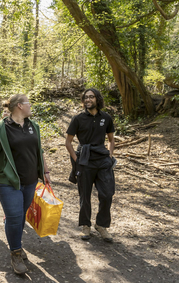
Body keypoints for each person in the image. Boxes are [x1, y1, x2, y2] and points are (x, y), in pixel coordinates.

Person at [0, 94, 51, 275]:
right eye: (28, 103)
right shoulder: (1, 129)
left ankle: (15, 243)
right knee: (14, 216)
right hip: (7, 181)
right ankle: (16, 253)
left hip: (30, 180)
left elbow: (38, 150)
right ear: (19, 106)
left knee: (20, 216)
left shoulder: (33, 126)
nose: (31, 106)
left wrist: (45, 171)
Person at [65, 88, 116, 243]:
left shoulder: (106, 117)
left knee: (107, 194)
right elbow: (68, 142)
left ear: (97, 99)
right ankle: (85, 225)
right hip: (85, 160)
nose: (88, 100)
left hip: (102, 160)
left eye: (91, 97)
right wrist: (76, 160)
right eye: (85, 97)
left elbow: (111, 139)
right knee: (85, 195)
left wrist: (110, 154)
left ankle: (101, 225)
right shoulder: (78, 118)